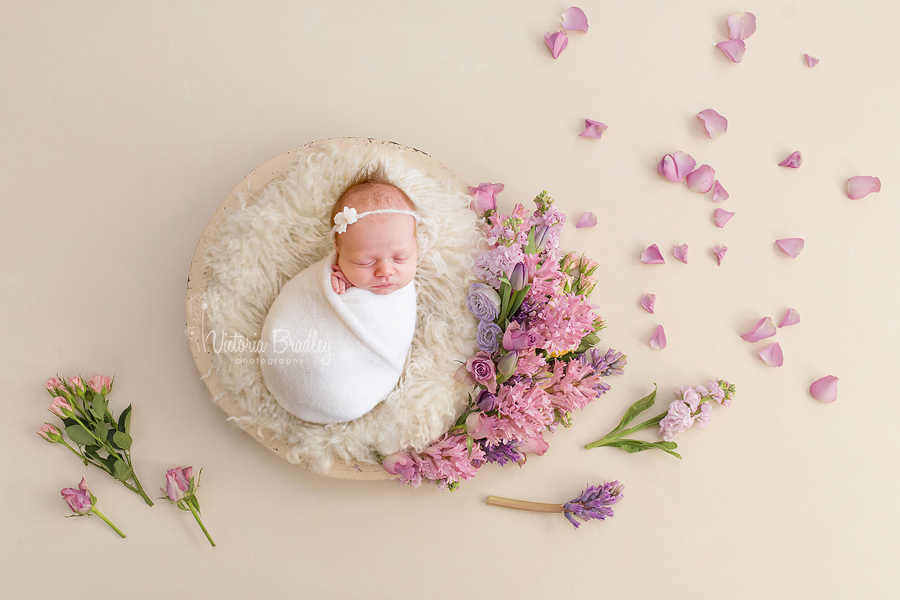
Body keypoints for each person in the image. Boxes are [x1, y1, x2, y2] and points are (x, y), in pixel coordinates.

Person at [258, 165, 418, 424]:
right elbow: (306, 306)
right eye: (365, 262)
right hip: (298, 360)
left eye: (401, 257)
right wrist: (338, 288)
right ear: (339, 252)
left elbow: (392, 329)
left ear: (416, 246)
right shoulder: (330, 278)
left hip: (352, 384)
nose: (385, 271)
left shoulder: (402, 291)